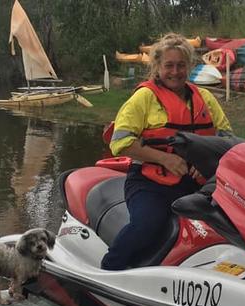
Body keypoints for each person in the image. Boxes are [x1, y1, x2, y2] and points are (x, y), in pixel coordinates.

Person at [100, 33, 233, 270]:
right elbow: (120, 143)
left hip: (197, 184)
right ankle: (109, 270)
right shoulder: (145, 97)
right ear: (157, 67)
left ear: (189, 66)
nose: (175, 72)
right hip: (150, 184)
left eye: (181, 65)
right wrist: (165, 158)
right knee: (148, 224)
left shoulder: (205, 98)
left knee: (230, 221)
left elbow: (226, 140)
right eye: (169, 65)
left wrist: (204, 162)